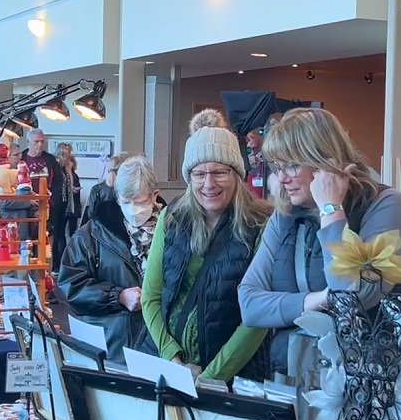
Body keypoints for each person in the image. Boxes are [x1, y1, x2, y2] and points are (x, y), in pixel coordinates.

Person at [237, 107, 401, 374]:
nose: (282, 178)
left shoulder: (385, 205)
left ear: (322, 160)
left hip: (368, 382)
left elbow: (354, 296)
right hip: (294, 374)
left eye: (292, 165)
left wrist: (331, 208)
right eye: (277, 167)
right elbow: (249, 305)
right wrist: (317, 299)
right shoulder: (285, 214)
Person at [140, 110, 272, 381]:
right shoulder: (172, 217)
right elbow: (150, 297)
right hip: (168, 367)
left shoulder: (261, 224)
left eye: (219, 172)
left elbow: (257, 318)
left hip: (235, 376)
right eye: (199, 174)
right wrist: (173, 360)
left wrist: (211, 377)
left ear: (236, 173)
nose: (208, 183)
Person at [57, 156, 164, 363]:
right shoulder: (91, 234)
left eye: (140, 202)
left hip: (162, 346)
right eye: (126, 201)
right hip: (113, 347)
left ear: (155, 197)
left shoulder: (174, 232)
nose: (133, 208)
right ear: (117, 197)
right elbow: (71, 286)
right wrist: (118, 296)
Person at [22, 129, 65, 267]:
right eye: (36, 142)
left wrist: (50, 201)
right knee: (25, 247)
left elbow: (59, 184)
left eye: (42, 142)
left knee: (45, 247)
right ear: (29, 142)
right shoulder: (22, 159)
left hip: (46, 209)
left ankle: (45, 279)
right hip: (25, 211)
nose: (40, 145)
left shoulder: (50, 160)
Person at [81, 153, 129, 225]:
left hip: (100, 230)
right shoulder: (126, 190)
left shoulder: (96, 189)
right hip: (121, 230)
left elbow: (90, 213)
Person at [63, 155, 82, 239]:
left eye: (71, 162)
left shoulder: (75, 176)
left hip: (74, 206)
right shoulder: (63, 175)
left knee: (72, 231)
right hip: (65, 206)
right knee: (61, 231)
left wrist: (74, 189)